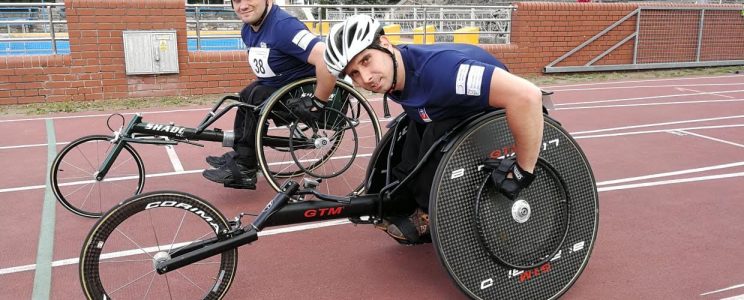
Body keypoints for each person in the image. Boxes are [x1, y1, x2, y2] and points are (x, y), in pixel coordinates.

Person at [323, 15, 545, 244]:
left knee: (436, 138)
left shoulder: (445, 72)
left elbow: (527, 96)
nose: (366, 78)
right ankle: (401, 198)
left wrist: (522, 171)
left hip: (490, 116)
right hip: (447, 108)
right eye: (354, 74)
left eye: (366, 60)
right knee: (412, 134)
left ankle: (430, 211)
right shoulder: (393, 71)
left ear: (385, 43)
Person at [203, 0, 336, 189]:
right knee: (246, 95)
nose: (242, 6)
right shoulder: (248, 30)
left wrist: (318, 103)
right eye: (237, 1)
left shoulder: (284, 27)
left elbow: (325, 57)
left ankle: (246, 167)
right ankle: (242, 154)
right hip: (278, 88)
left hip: (302, 95)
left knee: (256, 96)